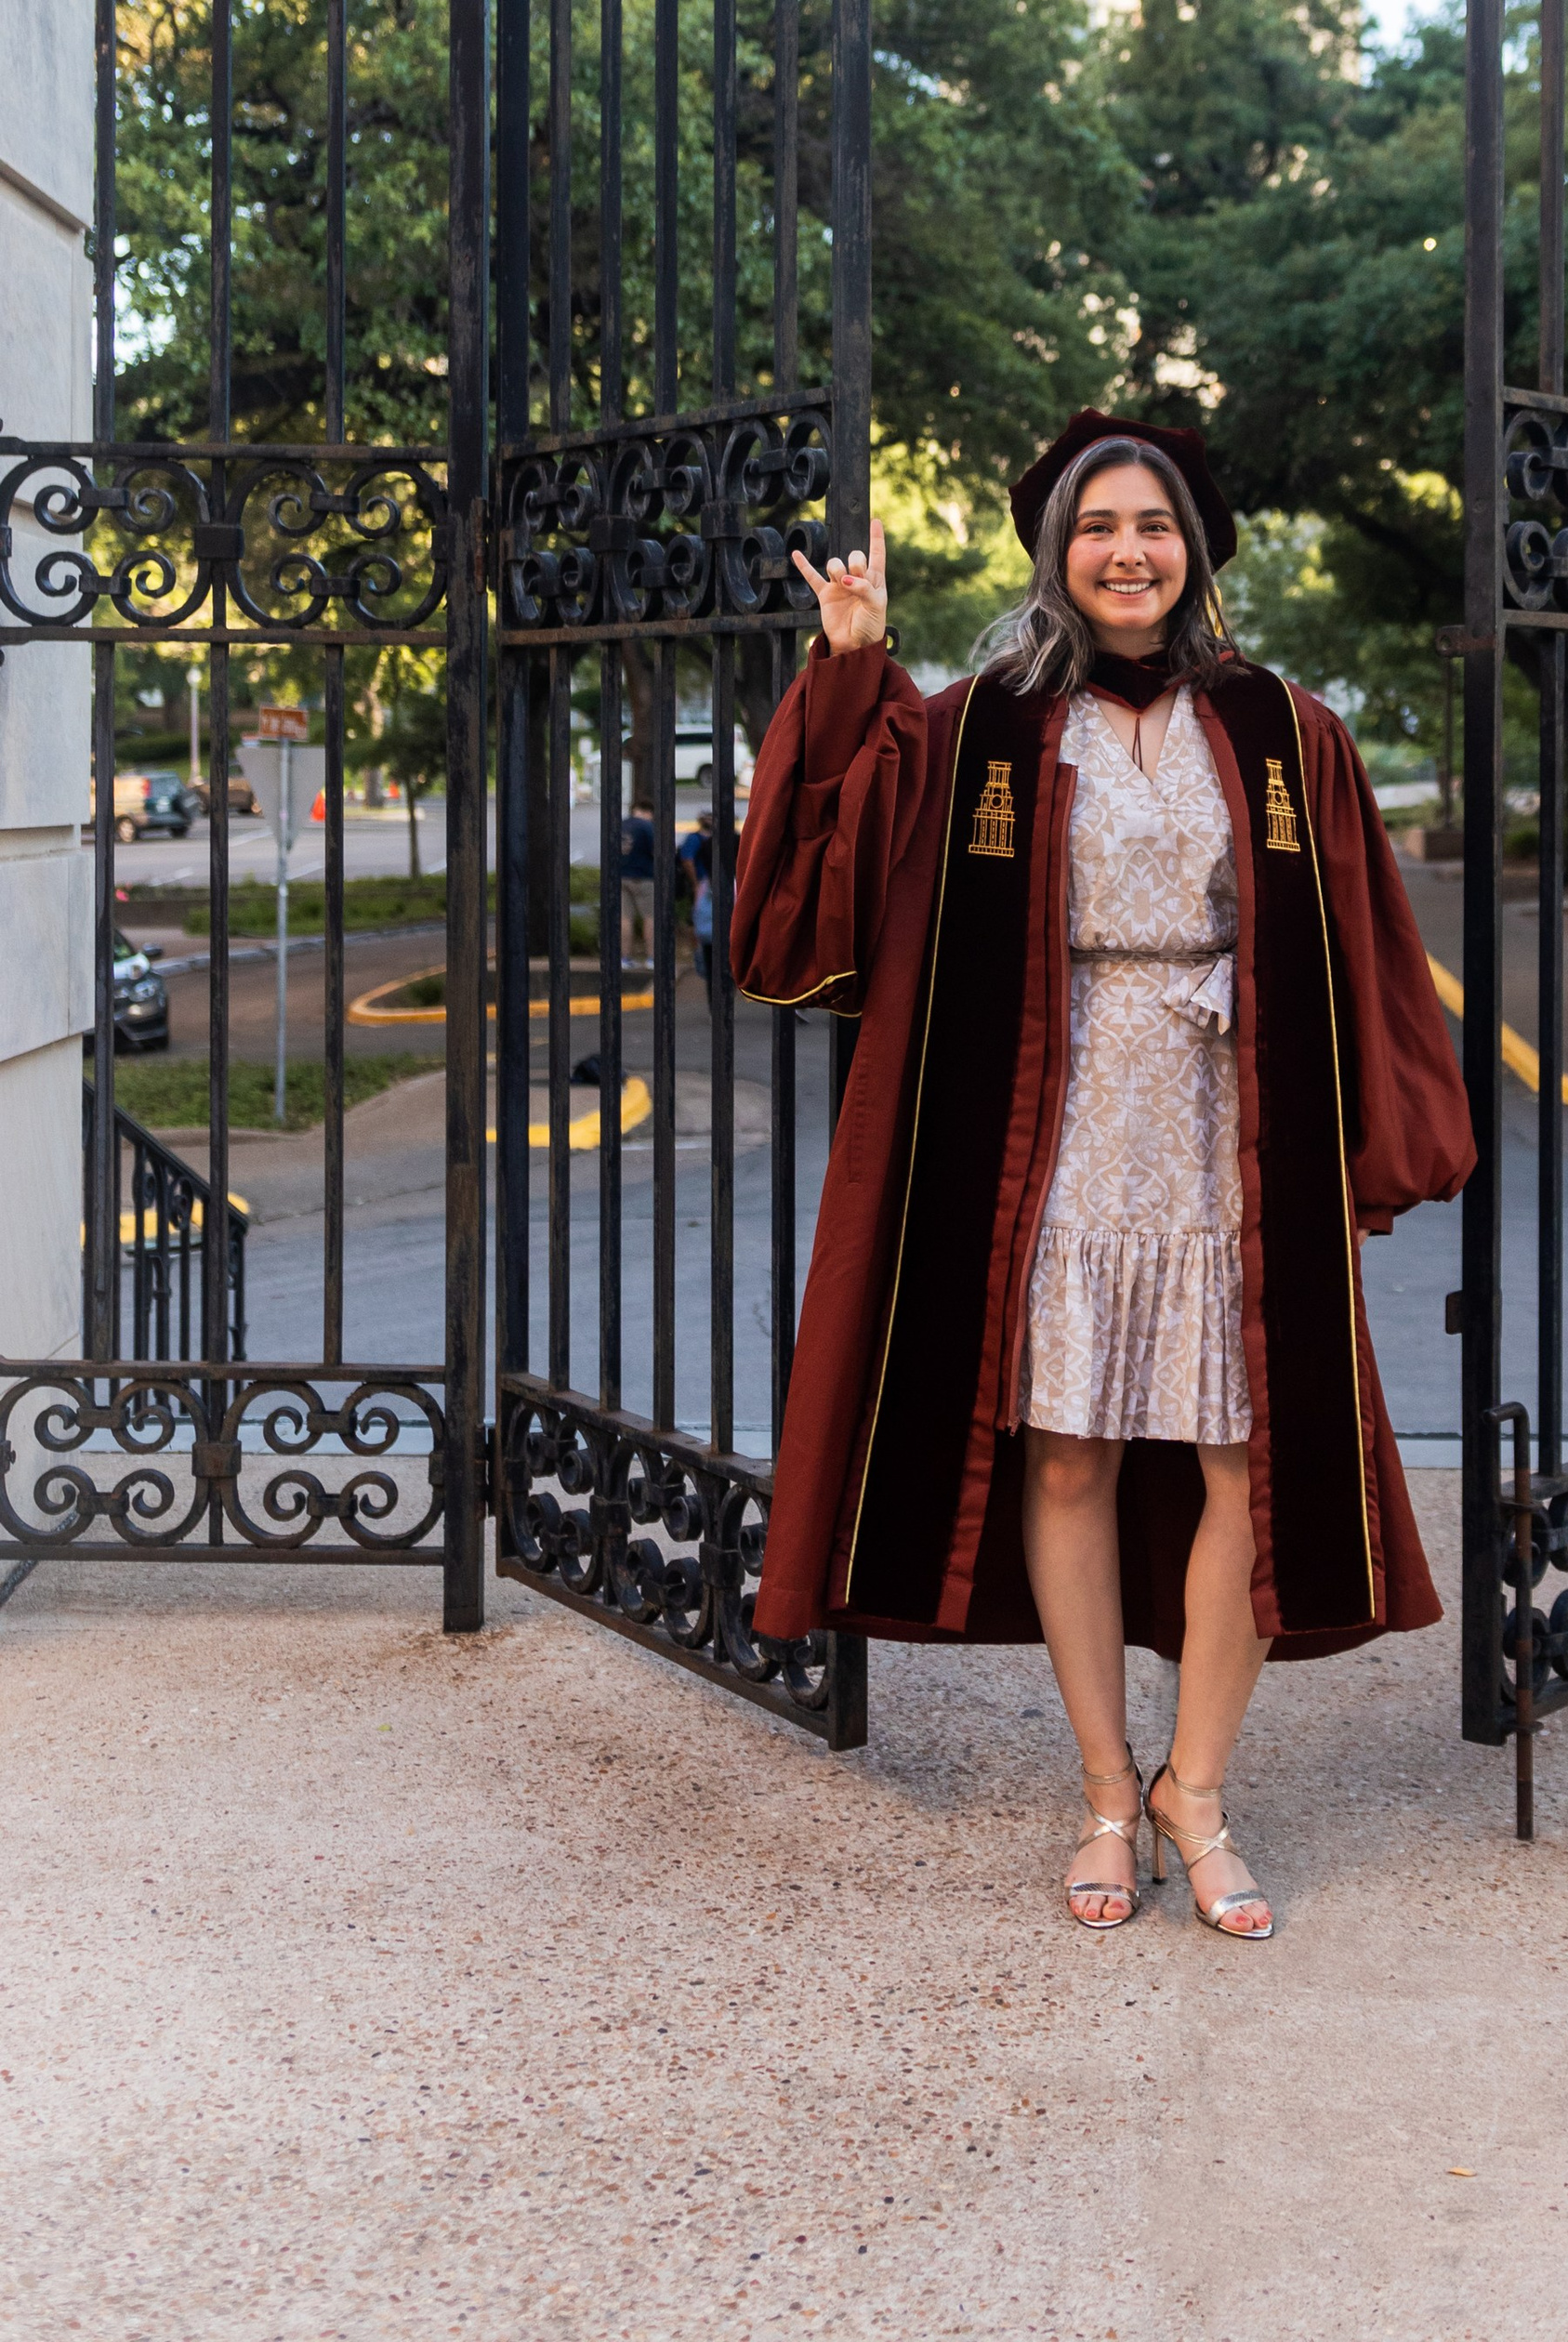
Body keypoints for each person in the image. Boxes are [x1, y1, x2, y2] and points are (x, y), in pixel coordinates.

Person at [731, 412, 1473, 1943]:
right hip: (1048, 1133)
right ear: (1058, 554)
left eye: (1151, 524)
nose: (1124, 550)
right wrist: (855, 668)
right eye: (1095, 527)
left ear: (1193, 549)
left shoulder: (1285, 725)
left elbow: (1365, 943)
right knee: (1061, 1455)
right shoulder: (980, 723)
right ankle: (1105, 1791)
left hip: (1230, 1127)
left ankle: (1201, 1790)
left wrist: (1378, 1122)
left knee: (1245, 1466)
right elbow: (827, 884)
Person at [679, 806, 715, 992]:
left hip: (714, 886)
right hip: (703, 885)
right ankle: (702, 957)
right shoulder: (695, 839)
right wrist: (694, 883)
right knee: (699, 921)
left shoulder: (723, 837)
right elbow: (687, 860)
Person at [619, 797, 655, 964]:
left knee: (626, 919)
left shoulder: (622, 824)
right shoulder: (646, 826)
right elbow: (655, 850)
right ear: (648, 812)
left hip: (622, 876)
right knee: (650, 918)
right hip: (644, 877)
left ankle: (625, 958)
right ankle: (651, 958)